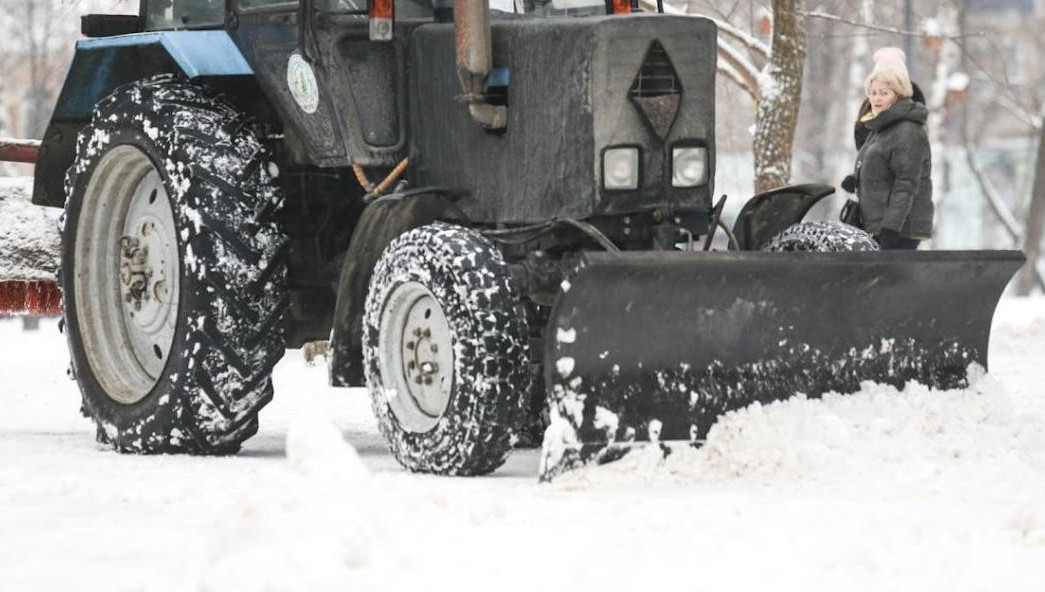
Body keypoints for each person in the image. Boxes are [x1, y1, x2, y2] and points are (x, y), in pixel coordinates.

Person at [841, 48, 933, 250]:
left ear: (898, 96)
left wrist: (891, 229)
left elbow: (905, 185)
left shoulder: (907, 130)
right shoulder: (880, 127)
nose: (876, 98)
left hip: (899, 230)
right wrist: (857, 179)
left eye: (884, 93)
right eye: (873, 93)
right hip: (879, 225)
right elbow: (884, 167)